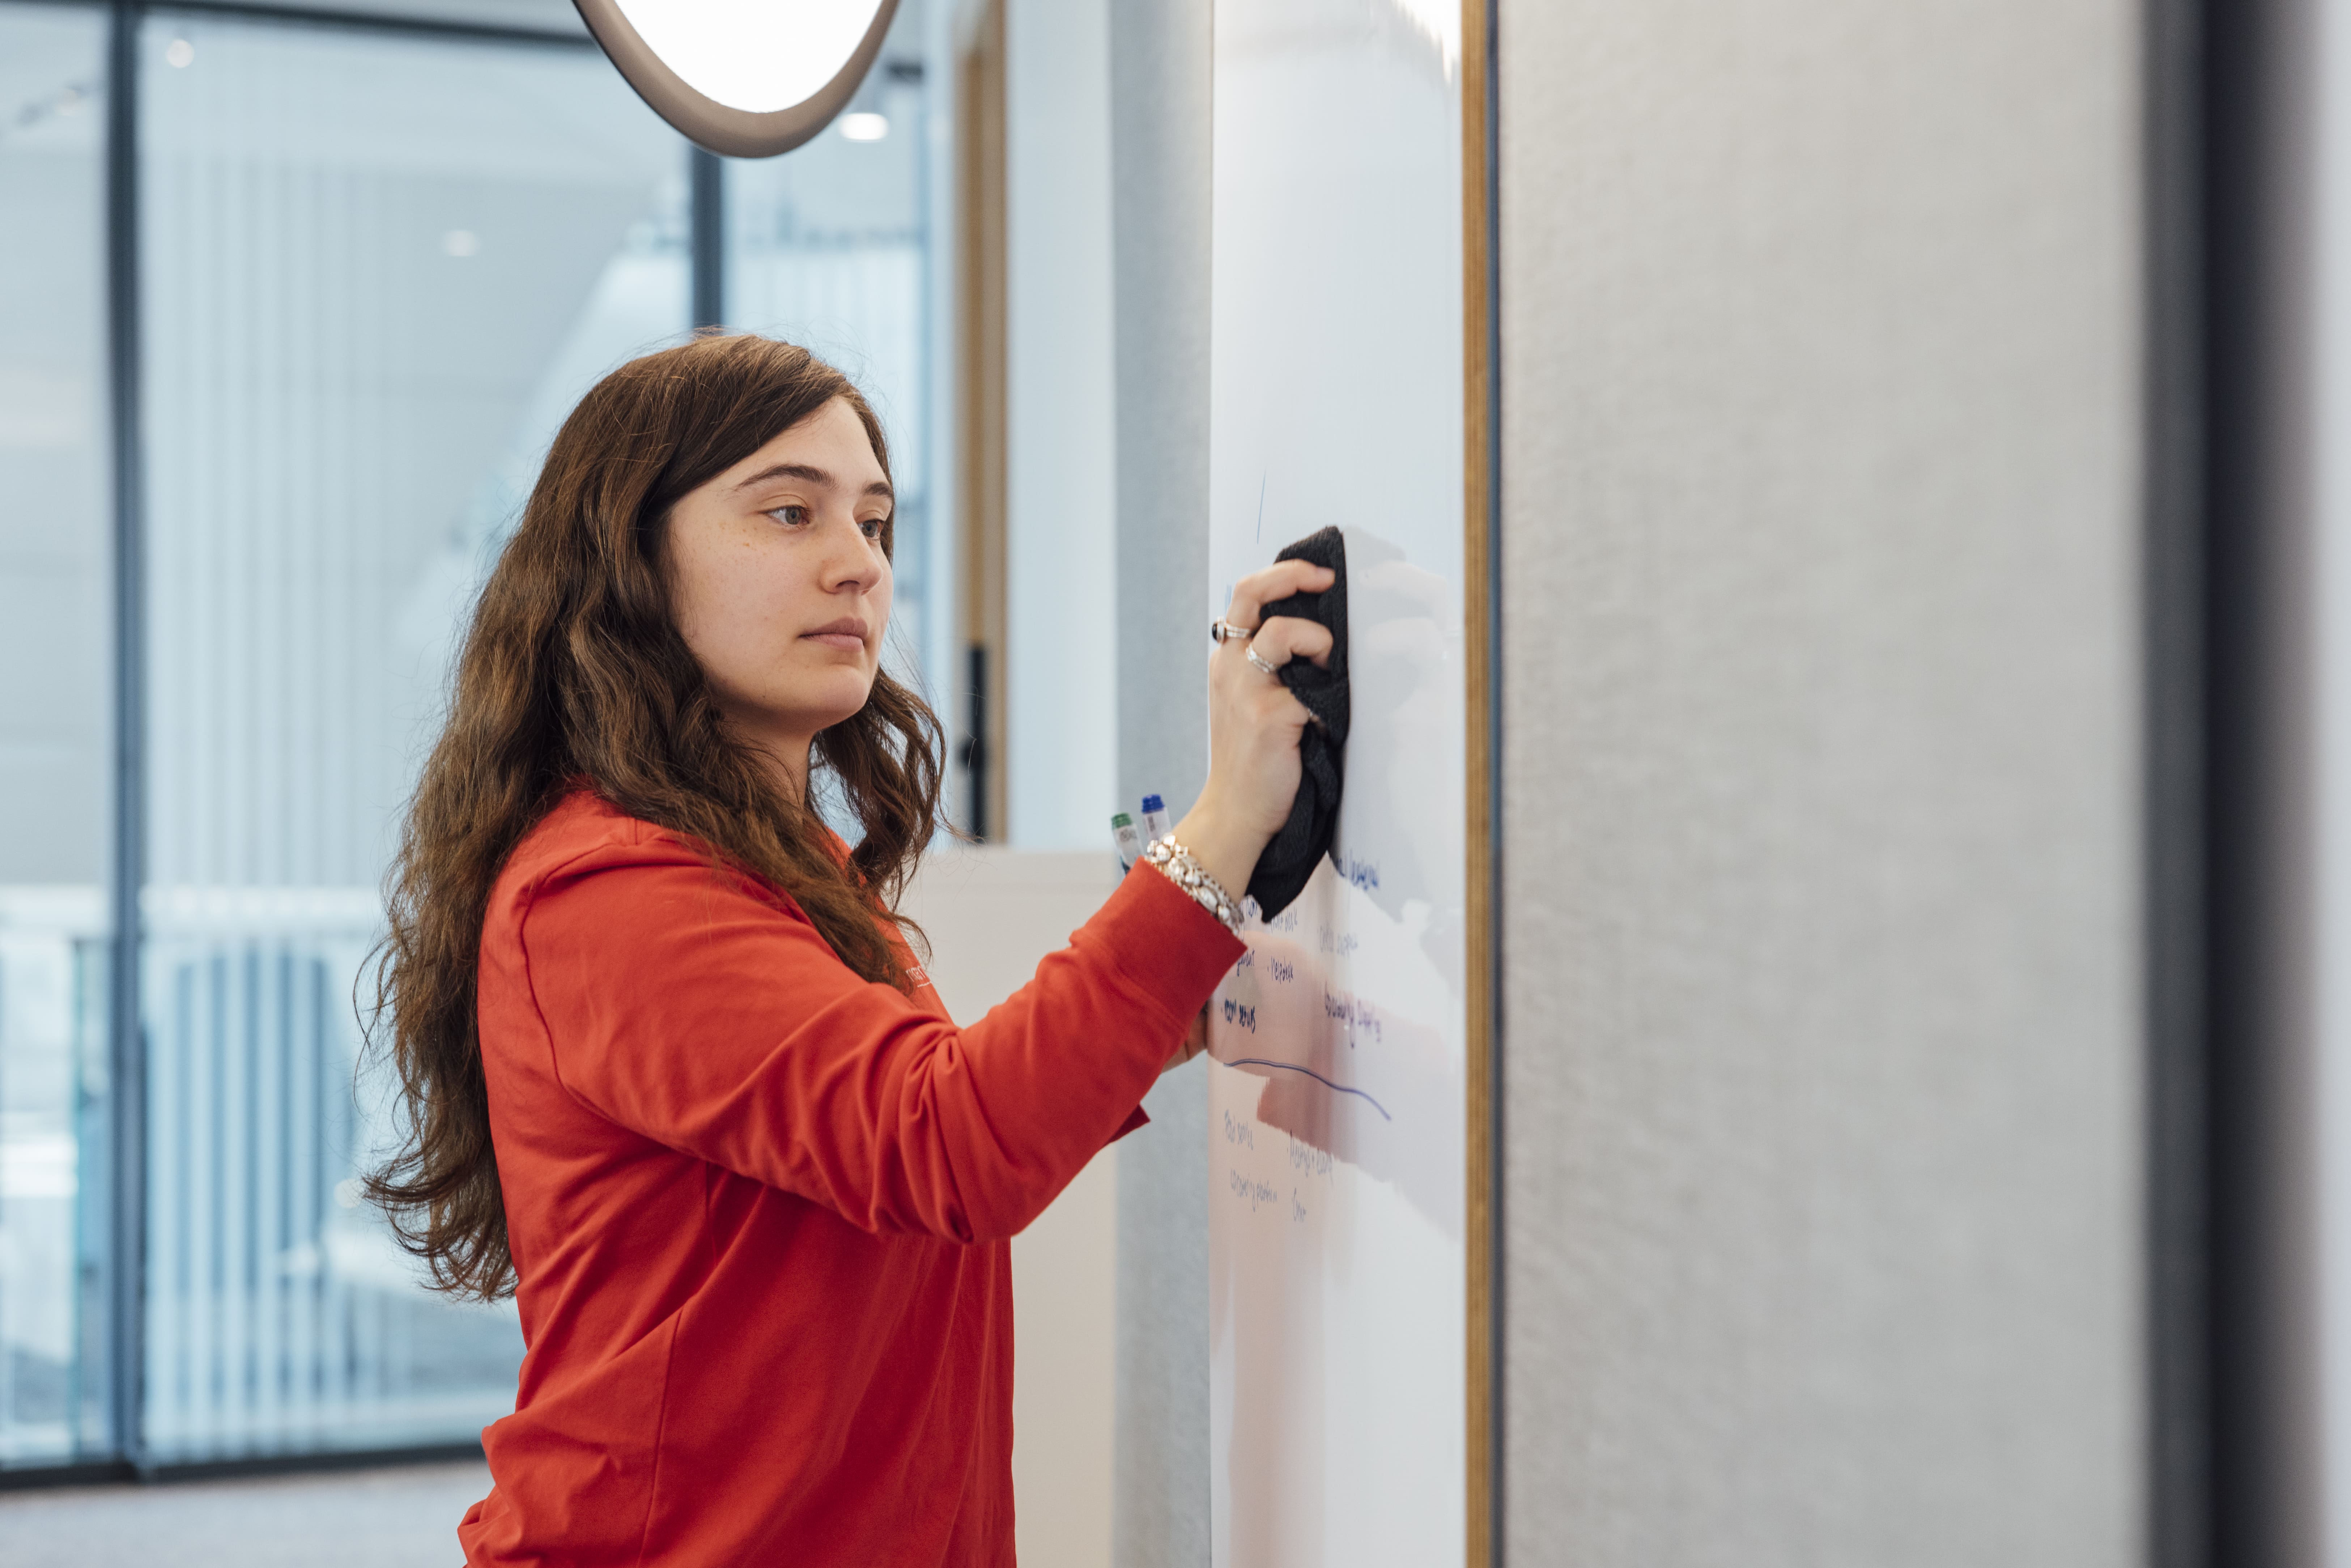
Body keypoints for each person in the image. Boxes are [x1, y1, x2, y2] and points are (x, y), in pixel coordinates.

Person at [364, 332, 1333, 1566]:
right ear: (629, 562)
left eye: (875, 523)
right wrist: (1218, 830)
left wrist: (1139, 1029)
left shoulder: (770, 859)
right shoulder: (613, 889)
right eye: (788, 513)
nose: (857, 566)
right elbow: (953, 1148)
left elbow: (871, 1158)